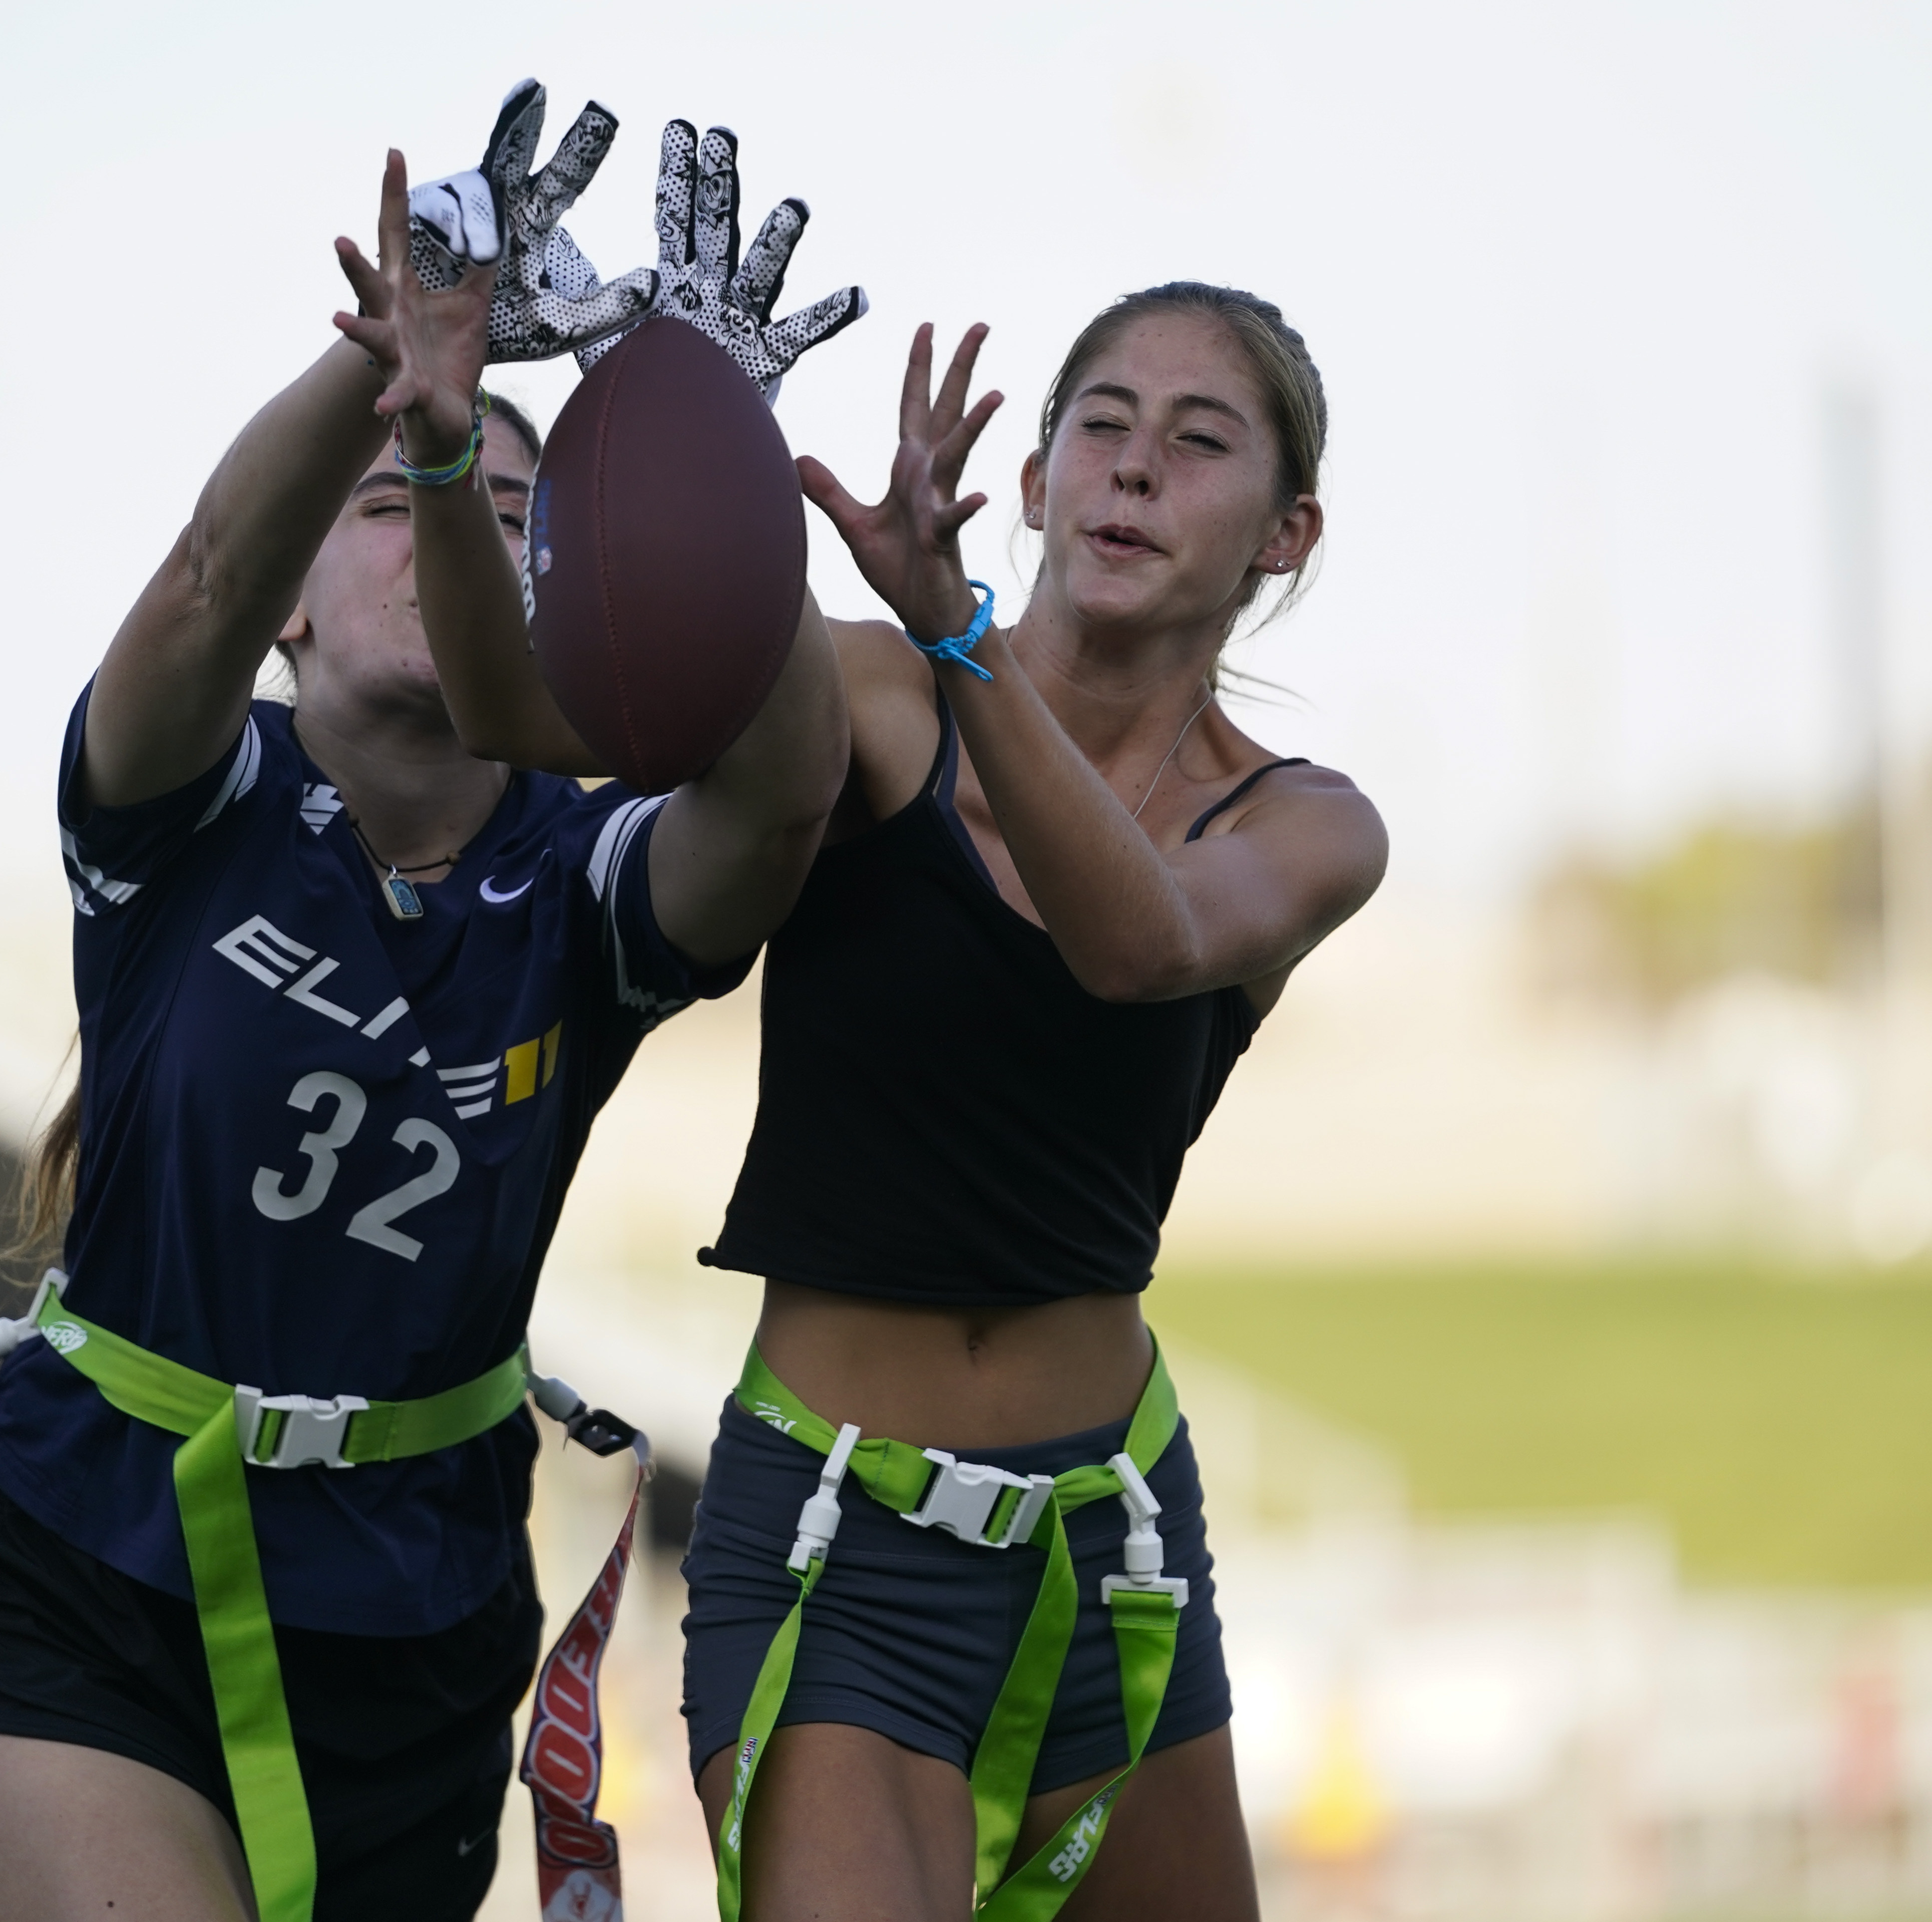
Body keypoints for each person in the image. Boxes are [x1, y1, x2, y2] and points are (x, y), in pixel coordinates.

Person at [0, 131, 849, 1922]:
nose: (452, 524)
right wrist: (400, 346)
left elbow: (782, 803)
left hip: (414, 1612)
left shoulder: (585, 873)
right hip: (68, 1559)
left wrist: (717, 452)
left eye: (515, 517)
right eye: (396, 503)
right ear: (299, 608)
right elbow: (204, 572)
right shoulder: (191, 788)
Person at [420, 279, 1387, 1918]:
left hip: (1112, 1541)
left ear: (1285, 535)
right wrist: (472, 466)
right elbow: (524, 703)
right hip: (837, 1548)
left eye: (1197, 440)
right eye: (1101, 425)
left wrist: (962, 639)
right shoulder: (870, 693)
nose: (1134, 470)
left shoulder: (1304, 825)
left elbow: (1136, 943)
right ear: (1033, 480)